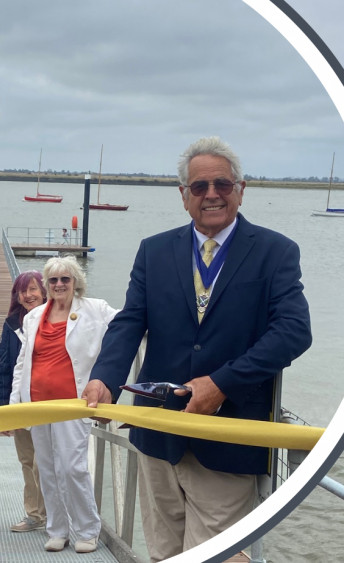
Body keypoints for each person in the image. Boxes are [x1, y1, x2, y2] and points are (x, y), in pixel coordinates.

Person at [82, 136, 312, 562]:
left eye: (223, 185)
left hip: (228, 439)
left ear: (241, 190)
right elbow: (131, 320)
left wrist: (221, 384)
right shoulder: (154, 250)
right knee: (162, 552)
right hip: (157, 437)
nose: (212, 195)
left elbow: (294, 332)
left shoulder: (275, 252)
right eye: (200, 187)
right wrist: (105, 378)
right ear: (183, 195)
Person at [10, 255, 117, 554]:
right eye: (53, 280)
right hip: (38, 404)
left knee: (72, 468)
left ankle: (86, 529)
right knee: (47, 468)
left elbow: (127, 324)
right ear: (47, 285)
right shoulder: (34, 317)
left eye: (65, 280)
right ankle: (57, 529)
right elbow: (23, 362)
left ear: (75, 283)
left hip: (73, 403)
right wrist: (14, 404)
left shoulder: (94, 309)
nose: (59, 285)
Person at [0, 270, 47, 534]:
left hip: (50, 403)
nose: (28, 295)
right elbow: (2, 366)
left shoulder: (56, 319)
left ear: (44, 291)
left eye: (34, 289)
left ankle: (56, 514)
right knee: (28, 460)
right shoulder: (12, 323)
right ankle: (34, 514)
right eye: (23, 291)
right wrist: (3, 411)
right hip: (22, 403)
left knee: (44, 462)